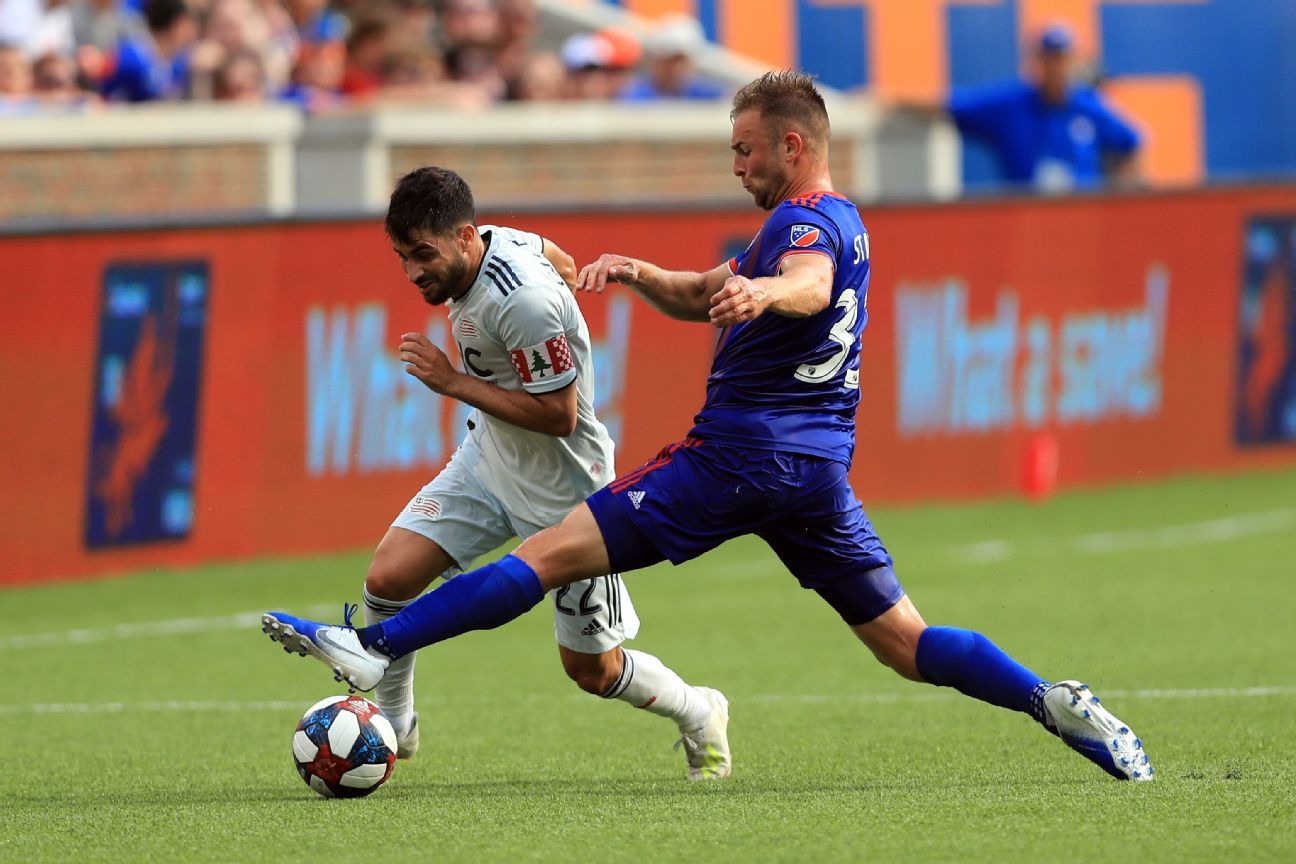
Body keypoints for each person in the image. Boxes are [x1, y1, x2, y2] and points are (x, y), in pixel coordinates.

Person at [264, 71, 1155, 783]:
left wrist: (770, 292)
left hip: (736, 456)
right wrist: (638, 271)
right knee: (906, 645)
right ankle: (1049, 699)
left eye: (745, 150)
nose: (738, 166)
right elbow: (705, 292)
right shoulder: (835, 223)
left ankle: (374, 643)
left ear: (792, 145)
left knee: (542, 560)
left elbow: (804, 285)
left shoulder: (801, 233)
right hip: (815, 470)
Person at [265, 166, 731, 781]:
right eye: (403, 257)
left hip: (568, 493)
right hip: (489, 461)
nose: (413, 272)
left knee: (592, 670)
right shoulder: (498, 241)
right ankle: (395, 723)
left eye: (423, 255)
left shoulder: (523, 305)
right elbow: (552, 253)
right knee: (389, 577)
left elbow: (560, 416)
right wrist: (568, 278)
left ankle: (700, 711)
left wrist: (451, 381)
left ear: (462, 237)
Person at [940, 23, 1141, 193]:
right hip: (1025, 217)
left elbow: (1130, 141)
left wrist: (1116, 195)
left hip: (1081, 215)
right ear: (1038, 61)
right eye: (1049, 59)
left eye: (1061, 59)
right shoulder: (1011, 105)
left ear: (1073, 62)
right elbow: (952, 107)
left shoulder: (1087, 107)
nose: (1055, 68)